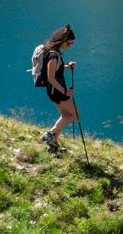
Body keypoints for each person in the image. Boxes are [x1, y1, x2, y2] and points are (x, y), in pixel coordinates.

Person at [40, 25, 78, 153]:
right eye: (70, 42)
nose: (70, 45)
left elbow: (56, 70)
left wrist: (67, 67)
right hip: (57, 91)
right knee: (74, 115)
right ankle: (50, 134)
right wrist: (65, 92)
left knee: (65, 116)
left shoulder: (53, 52)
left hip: (54, 91)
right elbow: (51, 77)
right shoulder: (53, 55)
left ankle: (53, 146)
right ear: (63, 41)